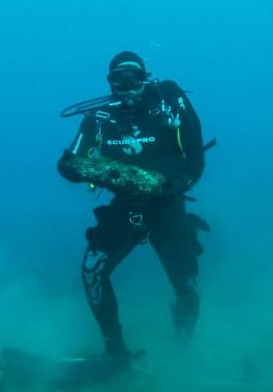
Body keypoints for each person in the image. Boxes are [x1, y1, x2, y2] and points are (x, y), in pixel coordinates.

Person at [57, 51, 209, 379]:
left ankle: (184, 350)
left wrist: (178, 184)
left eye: (134, 78)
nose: (127, 86)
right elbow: (75, 157)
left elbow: (195, 158)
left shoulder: (170, 106)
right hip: (126, 207)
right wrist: (70, 167)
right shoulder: (100, 118)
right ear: (110, 83)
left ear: (145, 78)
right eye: (118, 80)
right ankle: (116, 353)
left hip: (168, 206)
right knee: (92, 271)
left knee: (189, 284)